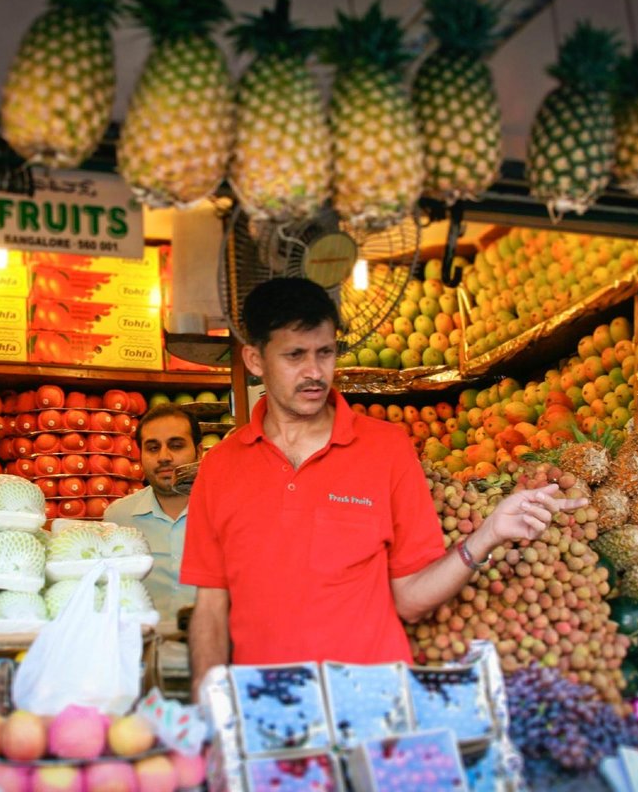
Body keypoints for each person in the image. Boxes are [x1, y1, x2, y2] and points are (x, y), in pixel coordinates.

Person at [180, 277, 585, 691]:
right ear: (254, 360)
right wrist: (208, 698)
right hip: (268, 708)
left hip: (376, 703)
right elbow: (210, 606)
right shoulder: (221, 468)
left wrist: (486, 536)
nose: (315, 372)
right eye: (294, 355)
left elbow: (410, 601)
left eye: (325, 353)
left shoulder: (386, 449)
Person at [103, 403, 203, 627]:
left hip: (213, 655)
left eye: (176, 446)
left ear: (198, 452)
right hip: (141, 655)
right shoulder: (119, 518)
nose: (164, 457)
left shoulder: (226, 512)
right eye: (153, 448)